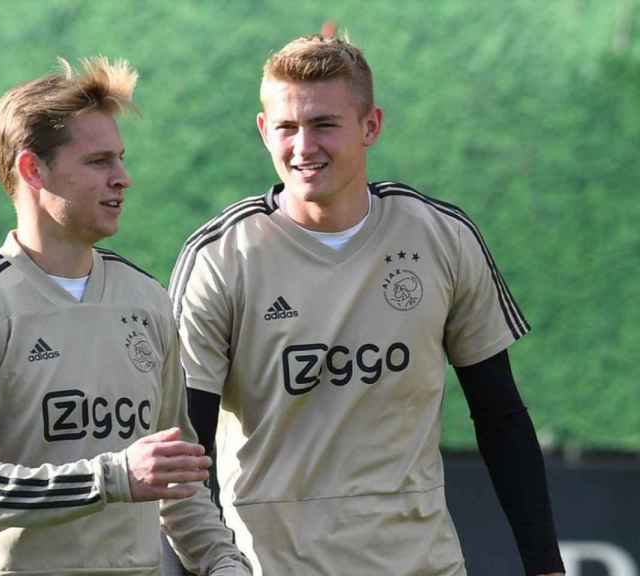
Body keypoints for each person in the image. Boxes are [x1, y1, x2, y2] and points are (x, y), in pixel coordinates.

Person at [167, 33, 565, 575]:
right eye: (286, 127)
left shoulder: (439, 236)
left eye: (324, 125)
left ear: (370, 126)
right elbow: (182, 457)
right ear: (264, 131)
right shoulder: (219, 257)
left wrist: (545, 566)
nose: (304, 147)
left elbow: (500, 416)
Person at [0, 56, 251, 576]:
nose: (123, 179)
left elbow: (176, 483)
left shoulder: (145, 300)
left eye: (119, 158)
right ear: (33, 169)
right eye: (98, 162)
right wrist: (111, 477)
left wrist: (223, 563)